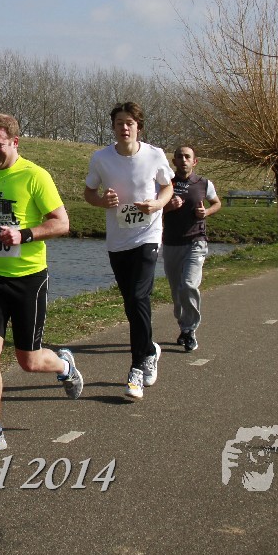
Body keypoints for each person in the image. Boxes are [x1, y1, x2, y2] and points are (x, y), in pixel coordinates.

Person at [0, 113, 80, 456]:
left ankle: (65, 365)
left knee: (28, 361)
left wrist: (24, 234)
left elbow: (62, 223)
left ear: (15, 142)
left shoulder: (35, 176)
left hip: (28, 279)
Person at [83, 102, 174, 400]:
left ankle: (137, 367)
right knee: (131, 302)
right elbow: (89, 192)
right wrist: (102, 201)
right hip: (118, 240)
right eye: (119, 122)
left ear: (139, 127)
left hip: (148, 235)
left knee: (138, 296)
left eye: (130, 123)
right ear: (113, 127)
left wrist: (156, 204)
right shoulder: (101, 158)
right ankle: (149, 349)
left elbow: (168, 187)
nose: (124, 127)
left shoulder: (154, 155)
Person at [161, 145, 221, 353]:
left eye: (188, 157)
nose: (183, 160)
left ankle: (190, 329)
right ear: (174, 161)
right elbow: (152, 211)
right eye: (179, 157)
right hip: (171, 243)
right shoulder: (166, 184)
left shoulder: (204, 183)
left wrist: (206, 212)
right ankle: (183, 326)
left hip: (196, 241)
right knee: (177, 291)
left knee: (188, 285)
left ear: (194, 162)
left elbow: (216, 203)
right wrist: (169, 206)